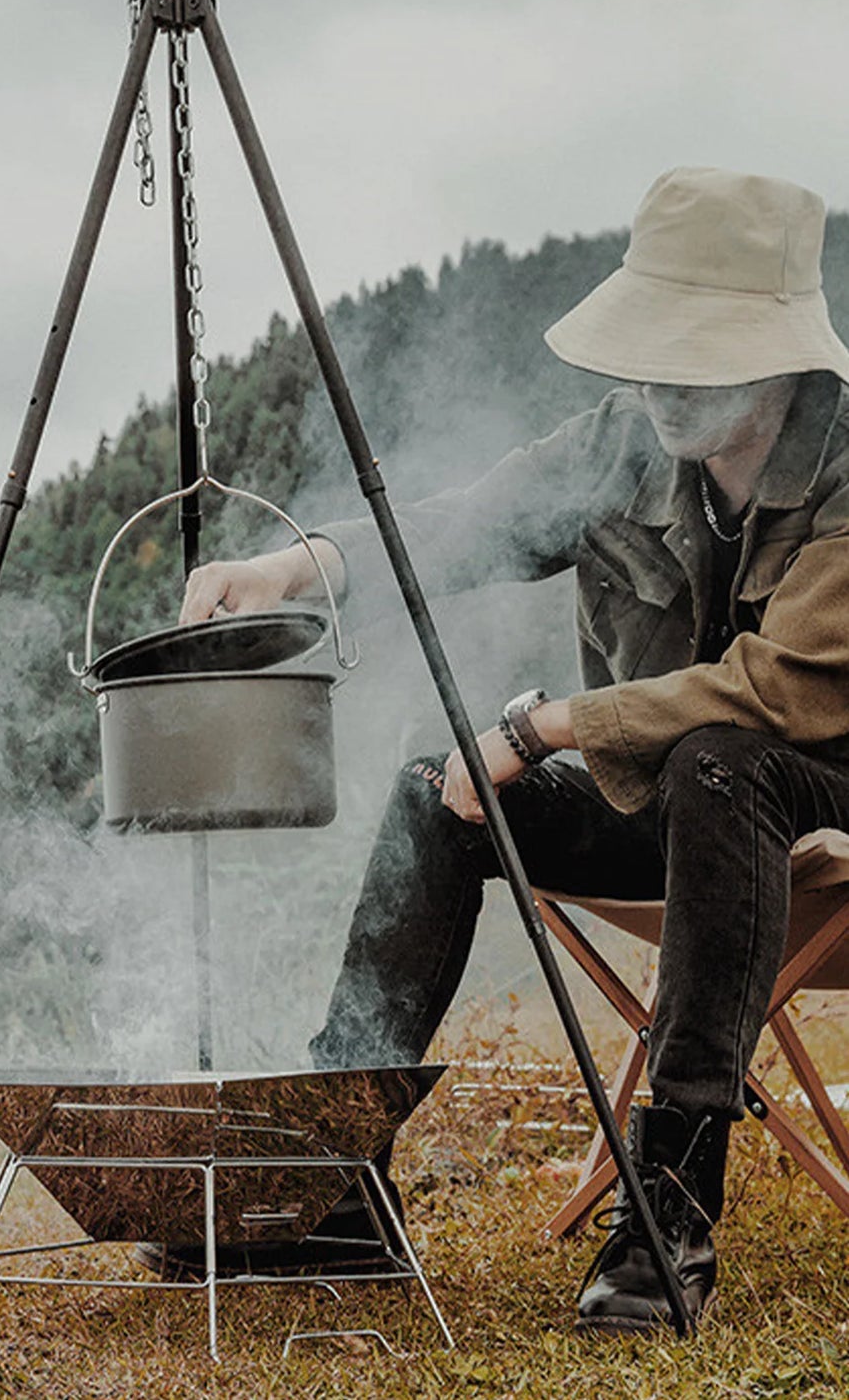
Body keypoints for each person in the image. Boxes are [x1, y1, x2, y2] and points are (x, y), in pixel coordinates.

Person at [179, 167, 849, 1333]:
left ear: (779, 355)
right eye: (649, 347)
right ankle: (328, 1176)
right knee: (438, 793)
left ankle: (668, 1212)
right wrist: (295, 567)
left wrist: (538, 726)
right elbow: (461, 524)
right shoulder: (622, 443)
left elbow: (772, 690)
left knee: (715, 758)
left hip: (818, 817)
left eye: (693, 349)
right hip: (672, 813)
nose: (658, 381)